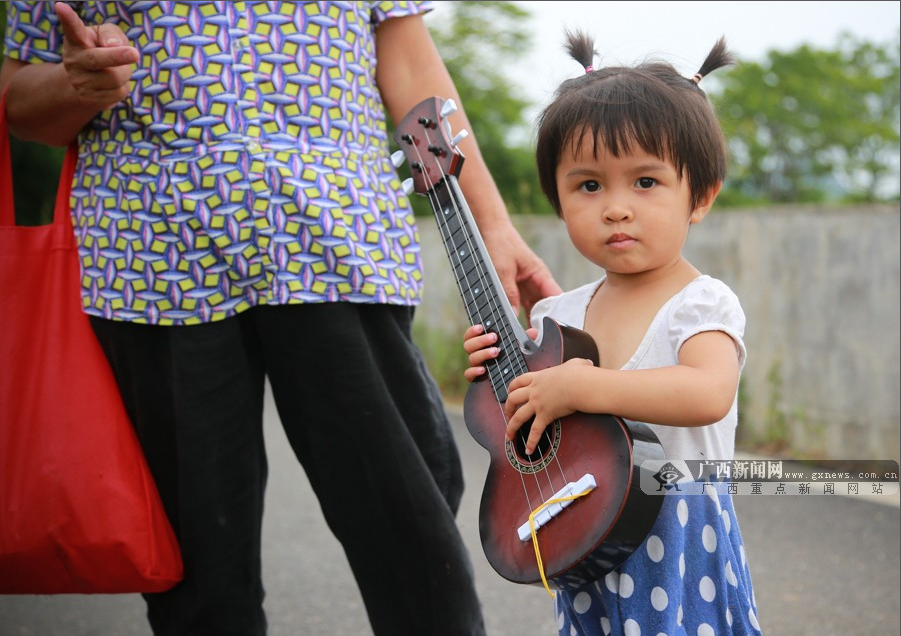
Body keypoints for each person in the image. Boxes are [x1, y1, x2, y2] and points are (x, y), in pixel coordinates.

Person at [0, 2, 562, 635]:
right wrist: (77, 84)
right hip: (155, 257)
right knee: (201, 568)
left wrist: (491, 221)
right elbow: (20, 103)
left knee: (413, 526)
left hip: (337, 242)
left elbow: (410, 68)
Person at [462, 31, 764, 636]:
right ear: (559, 200)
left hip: (679, 536)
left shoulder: (699, 303)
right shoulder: (557, 317)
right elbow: (532, 427)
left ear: (698, 197)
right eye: (589, 185)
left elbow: (706, 393)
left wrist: (583, 387)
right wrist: (495, 380)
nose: (616, 208)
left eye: (645, 183)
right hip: (588, 528)